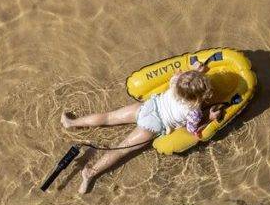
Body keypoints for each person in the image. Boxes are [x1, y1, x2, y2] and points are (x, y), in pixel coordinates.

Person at [61, 61, 222, 193]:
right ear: (197, 99)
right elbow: (192, 129)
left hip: (148, 107)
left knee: (108, 117)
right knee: (121, 149)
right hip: (153, 126)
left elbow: (179, 77)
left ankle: (72, 123)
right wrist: (209, 116)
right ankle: (90, 174)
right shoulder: (193, 111)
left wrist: (194, 71)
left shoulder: (175, 84)